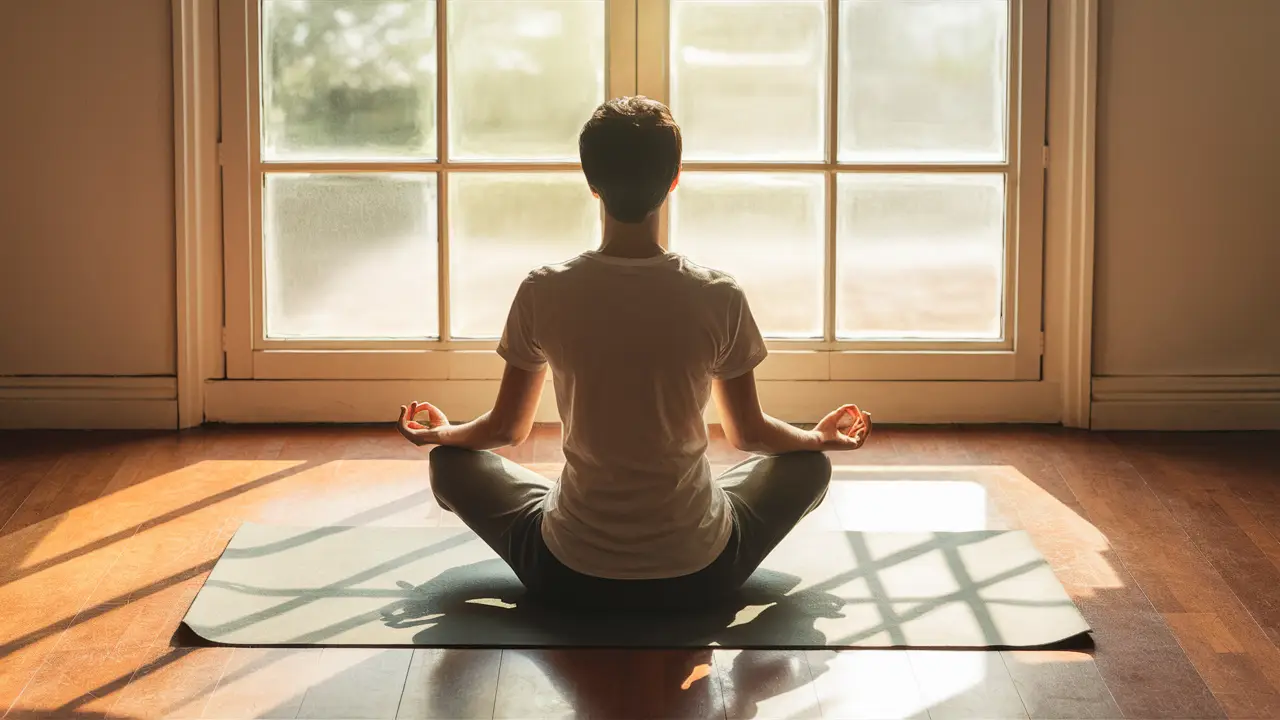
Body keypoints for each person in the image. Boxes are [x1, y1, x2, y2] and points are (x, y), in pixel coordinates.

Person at [396, 96, 872, 610]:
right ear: (673, 180)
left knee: (450, 464)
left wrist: (439, 434)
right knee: (809, 466)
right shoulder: (717, 294)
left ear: (590, 181)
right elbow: (749, 434)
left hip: (565, 571)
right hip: (704, 571)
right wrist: (817, 437)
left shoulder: (545, 290)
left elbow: (506, 431)